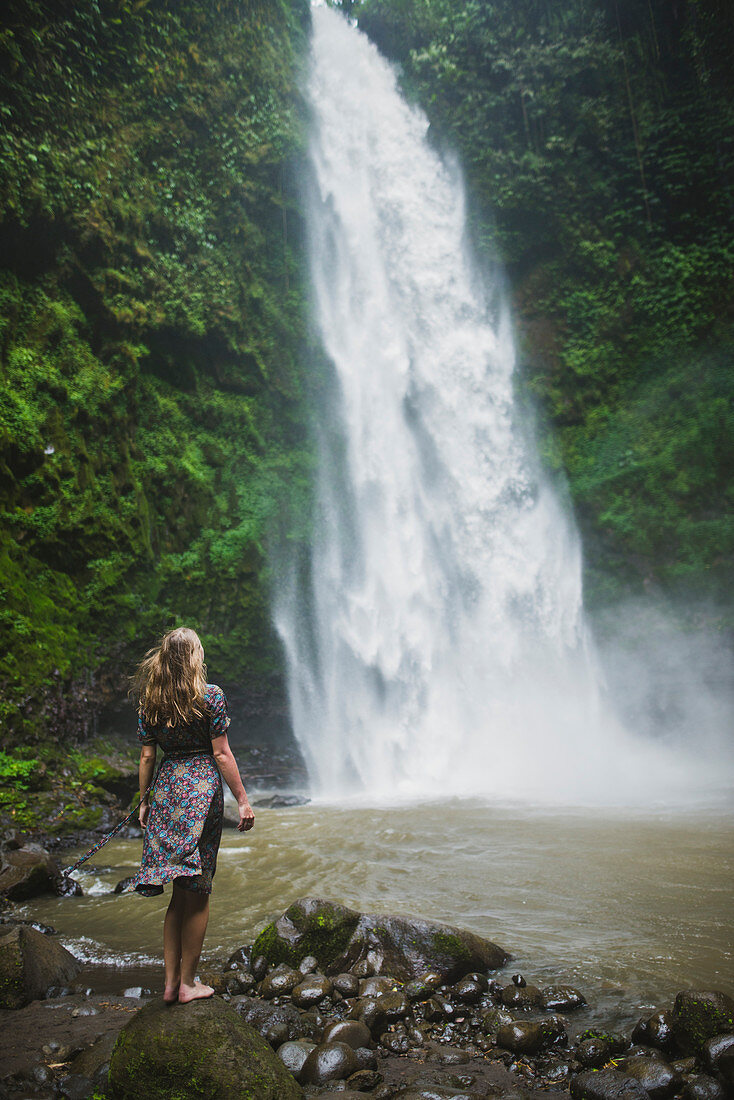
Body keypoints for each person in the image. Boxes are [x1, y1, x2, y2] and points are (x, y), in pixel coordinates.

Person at [130, 626, 254, 1004]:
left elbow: (148, 756)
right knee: (197, 890)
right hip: (201, 793)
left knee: (177, 895)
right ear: (194, 657)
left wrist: (144, 800)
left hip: (167, 791)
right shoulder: (210, 697)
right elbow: (221, 754)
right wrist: (243, 801)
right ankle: (188, 983)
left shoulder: (151, 702)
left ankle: (169, 985)